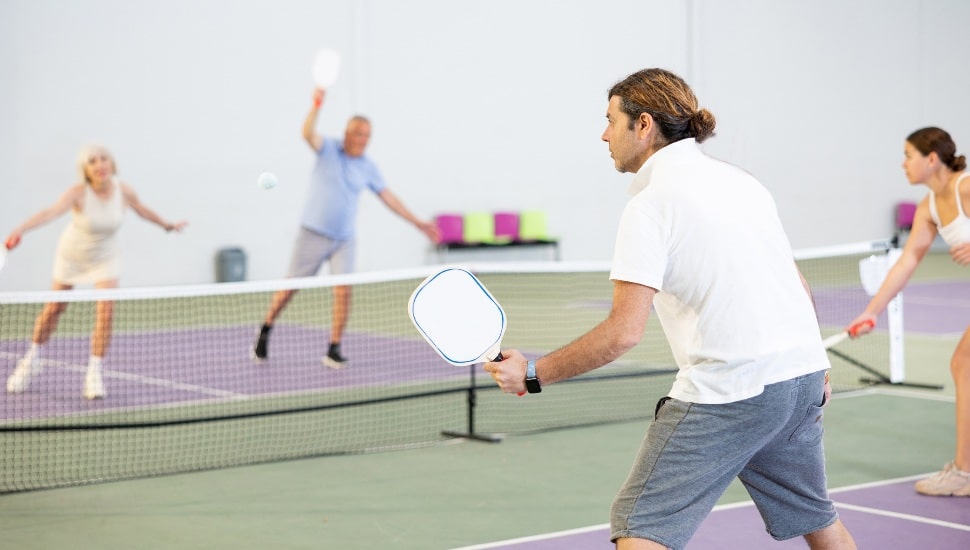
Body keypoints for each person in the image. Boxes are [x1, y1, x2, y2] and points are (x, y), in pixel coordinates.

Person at [484, 68, 856, 549]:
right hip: (802, 377)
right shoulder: (742, 182)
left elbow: (623, 333)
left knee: (640, 522)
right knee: (815, 515)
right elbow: (794, 281)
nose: (603, 134)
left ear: (643, 125)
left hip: (732, 390)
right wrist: (812, 360)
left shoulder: (649, 206)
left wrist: (533, 374)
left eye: (610, 121)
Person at [252, 87, 439, 368]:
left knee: (343, 291)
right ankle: (265, 328)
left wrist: (418, 222)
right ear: (347, 133)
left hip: (344, 240)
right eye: (358, 133)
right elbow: (306, 133)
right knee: (290, 287)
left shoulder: (368, 166)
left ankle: (334, 347)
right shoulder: (328, 149)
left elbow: (389, 198)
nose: (363, 139)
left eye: (367, 134)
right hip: (312, 233)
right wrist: (316, 104)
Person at [5, 145, 187, 399]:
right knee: (53, 309)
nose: (99, 165)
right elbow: (51, 212)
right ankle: (31, 359)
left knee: (106, 311)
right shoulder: (78, 193)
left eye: (103, 159)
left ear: (111, 164)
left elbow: (142, 209)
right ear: (86, 170)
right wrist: (20, 229)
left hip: (106, 256)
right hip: (72, 256)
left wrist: (167, 225)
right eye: (92, 161)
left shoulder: (124, 191)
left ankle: (94, 373)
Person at [848, 126, 970, 497]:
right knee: (963, 365)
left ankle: (963, 473)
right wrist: (872, 311)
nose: (903, 164)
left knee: (963, 365)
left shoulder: (966, 188)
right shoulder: (928, 207)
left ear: (931, 158)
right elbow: (906, 262)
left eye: (908, 155)